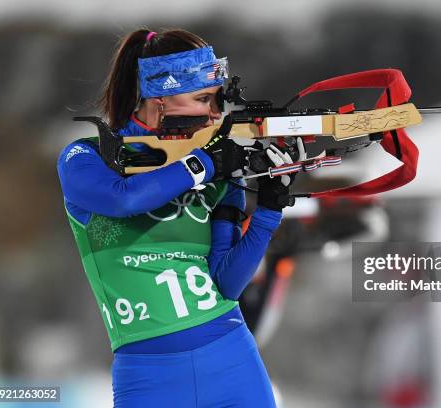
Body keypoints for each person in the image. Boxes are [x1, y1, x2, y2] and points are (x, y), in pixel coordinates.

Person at [57, 28, 301, 408]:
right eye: (203, 98)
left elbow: (227, 282)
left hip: (232, 357)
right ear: (159, 101)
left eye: (217, 101)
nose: (215, 114)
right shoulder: (87, 157)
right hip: (148, 377)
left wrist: (269, 210)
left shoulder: (218, 173)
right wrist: (203, 164)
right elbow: (124, 200)